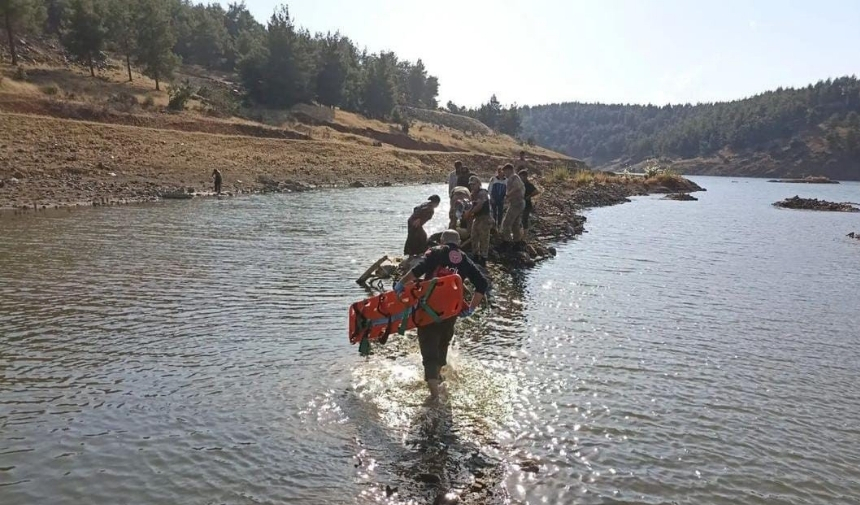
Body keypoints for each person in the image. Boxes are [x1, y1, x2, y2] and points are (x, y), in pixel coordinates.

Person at [394, 230, 489, 398]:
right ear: (458, 242)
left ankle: (434, 397)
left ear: (442, 240)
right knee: (442, 345)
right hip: (450, 313)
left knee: (429, 351)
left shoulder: (436, 252)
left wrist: (401, 284)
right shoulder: (464, 259)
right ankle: (437, 381)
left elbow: (418, 270)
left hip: (428, 311)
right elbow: (482, 284)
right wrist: (471, 308)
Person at [463, 176, 491, 266]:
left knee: (484, 238)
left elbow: (479, 206)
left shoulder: (482, 193)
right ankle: (475, 255)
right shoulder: (472, 194)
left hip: (484, 217)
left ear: (478, 184)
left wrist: (469, 212)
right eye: (470, 185)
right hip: (477, 218)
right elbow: (470, 205)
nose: (472, 186)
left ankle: (483, 258)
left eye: (473, 184)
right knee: (474, 236)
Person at [499, 164, 525, 249]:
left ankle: (507, 241)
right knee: (515, 224)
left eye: (505, 171)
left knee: (506, 223)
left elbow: (517, 187)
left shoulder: (514, 177)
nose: (504, 173)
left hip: (516, 203)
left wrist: (507, 195)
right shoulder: (513, 177)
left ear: (509, 170)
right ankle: (517, 242)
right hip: (518, 203)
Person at [520, 170, 541, 239]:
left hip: (527, 204)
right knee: (520, 219)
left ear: (525, 176)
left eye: (521, 176)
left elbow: (537, 191)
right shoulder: (521, 184)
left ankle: (525, 235)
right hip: (520, 204)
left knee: (524, 219)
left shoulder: (528, 185)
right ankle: (521, 233)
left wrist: (529, 196)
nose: (520, 178)